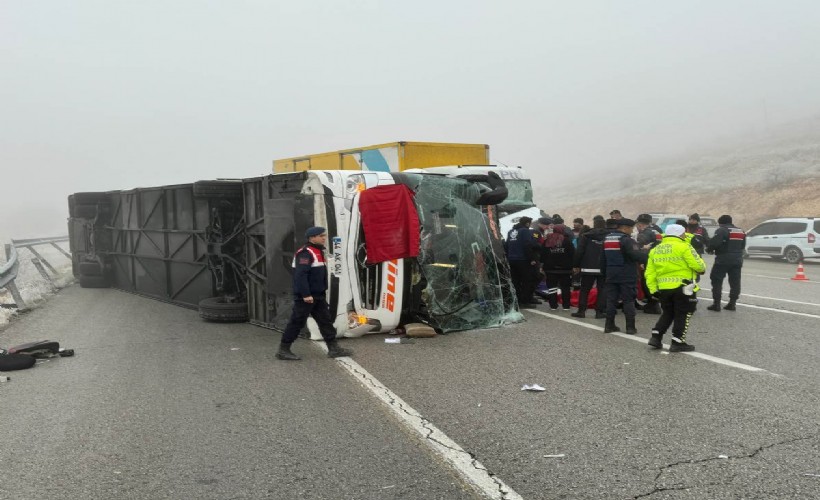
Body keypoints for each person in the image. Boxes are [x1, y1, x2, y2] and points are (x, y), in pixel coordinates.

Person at [277, 227, 353, 361]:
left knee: (325, 321)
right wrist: (306, 294)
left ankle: (333, 348)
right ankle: (283, 349)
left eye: (324, 235)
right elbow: (300, 275)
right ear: (312, 238)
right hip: (306, 297)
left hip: (318, 296)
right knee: (297, 323)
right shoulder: (305, 253)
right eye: (320, 236)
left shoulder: (317, 251)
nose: (324, 238)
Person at [645, 224, 706, 352]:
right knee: (683, 314)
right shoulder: (685, 246)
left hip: (663, 288)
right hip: (684, 287)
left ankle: (656, 337)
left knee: (668, 313)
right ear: (680, 234)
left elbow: (649, 273)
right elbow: (699, 266)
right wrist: (701, 269)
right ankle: (678, 342)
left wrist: (653, 290)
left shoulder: (656, 249)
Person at [600, 218, 647, 334]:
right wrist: (646, 254)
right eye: (631, 228)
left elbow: (602, 258)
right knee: (628, 300)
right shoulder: (626, 240)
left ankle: (609, 326)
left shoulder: (607, 239)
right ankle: (630, 327)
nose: (632, 230)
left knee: (611, 300)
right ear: (625, 228)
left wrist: (605, 273)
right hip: (626, 273)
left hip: (611, 273)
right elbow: (635, 255)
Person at [706, 215, 746, 311]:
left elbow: (714, 243)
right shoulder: (741, 231)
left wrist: (709, 249)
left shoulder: (722, 230)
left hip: (723, 259)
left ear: (721, 223)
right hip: (737, 259)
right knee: (735, 282)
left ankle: (716, 304)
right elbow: (743, 245)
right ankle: (732, 304)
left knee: (716, 280)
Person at [571, 216, 607, 318]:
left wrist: (576, 265)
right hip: (603, 268)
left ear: (594, 224)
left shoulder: (586, 236)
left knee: (585, 290)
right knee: (602, 290)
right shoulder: (608, 236)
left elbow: (579, 251)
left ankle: (581, 311)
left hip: (587, 267)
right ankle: (599, 312)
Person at [506, 216, 541, 308]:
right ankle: (525, 301)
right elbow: (527, 245)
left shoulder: (510, 232)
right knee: (527, 281)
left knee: (516, 281)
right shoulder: (525, 231)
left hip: (512, 259)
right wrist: (532, 258)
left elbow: (506, 245)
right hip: (523, 260)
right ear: (527, 223)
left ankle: (517, 301)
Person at [541, 222, 575, 311]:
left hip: (550, 269)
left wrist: (542, 266)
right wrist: (574, 266)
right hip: (565, 269)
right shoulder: (567, 241)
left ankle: (553, 305)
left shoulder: (547, 240)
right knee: (565, 287)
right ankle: (566, 306)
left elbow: (543, 254)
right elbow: (573, 254)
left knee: (552, 287)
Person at [635, 214, 663, 315]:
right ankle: (654, 302)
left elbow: (641, 248)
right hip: (659, 259)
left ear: (640, 224)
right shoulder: (657, 230)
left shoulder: (644, 233)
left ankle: (653, 304)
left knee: (646, 282)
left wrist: (641, 262)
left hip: (648, 260)